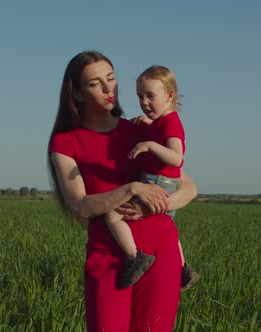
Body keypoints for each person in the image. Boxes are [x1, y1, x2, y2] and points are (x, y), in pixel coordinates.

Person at [48, 51, 198, 331]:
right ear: (77, 94)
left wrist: (158, 203)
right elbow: (80, 206)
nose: (108, 88)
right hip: (108, 258)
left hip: (161, 251)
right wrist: (132, 189)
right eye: (95, 83)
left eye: (111, 78)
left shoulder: (142, 131)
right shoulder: (66, 143)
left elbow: (189, 188)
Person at [104, 65, 201, 290]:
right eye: (140, 96)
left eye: (150, 96)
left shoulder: (172, 123)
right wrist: (150, 127)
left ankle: (134, 257)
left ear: (169, 96)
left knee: (112, 214)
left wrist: (150, 145)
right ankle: (183, 268)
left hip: (157, 182)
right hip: (165, 183)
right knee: (167, 226)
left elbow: (177, 158)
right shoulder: (162, 122)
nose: (144, 102)